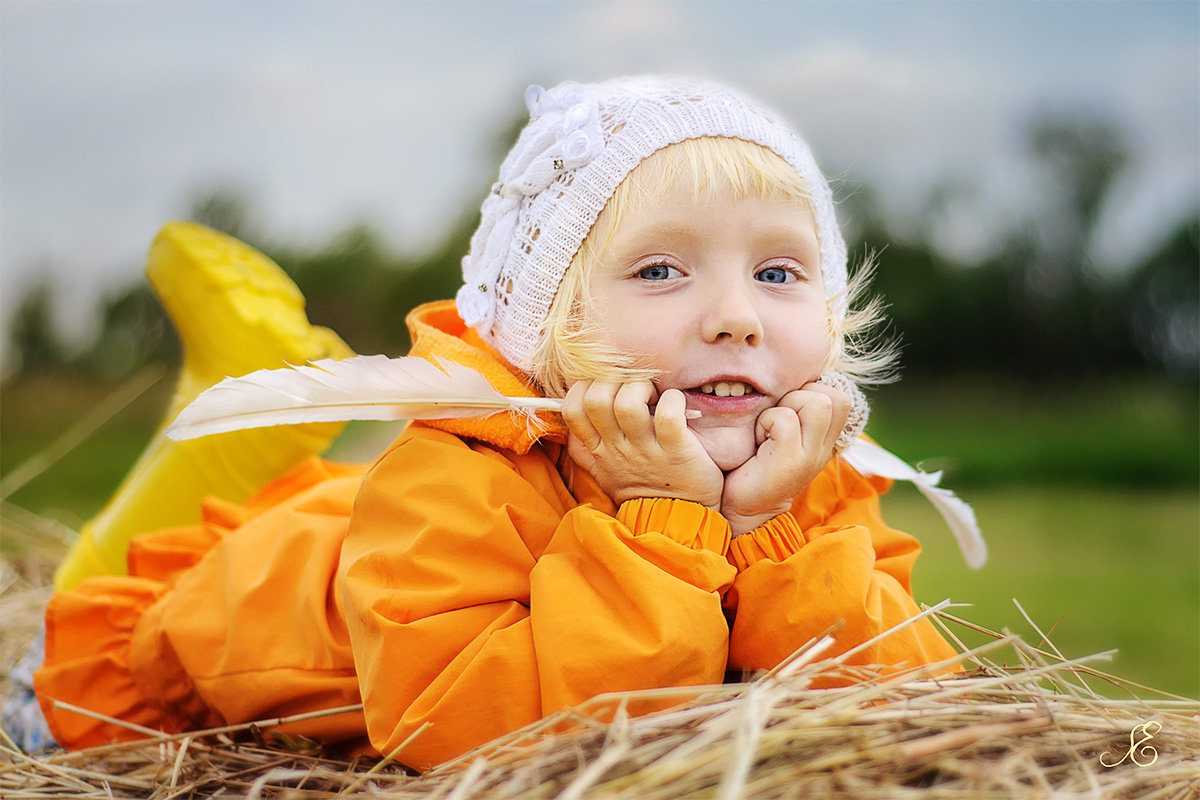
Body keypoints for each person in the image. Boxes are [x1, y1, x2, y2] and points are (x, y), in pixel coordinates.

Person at [16, 75, 971, 770]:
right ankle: (208, 425)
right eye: (659, 271)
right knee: (145, 574)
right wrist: (665, 526)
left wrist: (771, 534)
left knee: (310, 510)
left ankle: (238, 419)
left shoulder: (810, 476)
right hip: (129, 695)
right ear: (547, 323)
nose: (738, 315)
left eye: (778, 274)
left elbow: (914, 706)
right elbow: (507, 744)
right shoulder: (455, 479)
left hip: (330, 544)